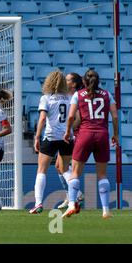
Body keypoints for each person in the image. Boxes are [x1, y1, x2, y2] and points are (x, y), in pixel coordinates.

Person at [62, 70, 118, 219]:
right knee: (102, 174)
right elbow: (115, 116)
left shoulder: (78, 95)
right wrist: (116, 134)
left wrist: (68, 131)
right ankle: (106, 210)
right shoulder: (107, 94)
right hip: (102, 134)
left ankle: (72, 204)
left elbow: (71, 116)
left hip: (85, 134)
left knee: (75, 172)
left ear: (84, 82)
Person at [29, 70, 73, 214]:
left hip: (51, 136)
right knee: (66, 169)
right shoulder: (69, 98)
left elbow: (42, 118)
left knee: (41, 170)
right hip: (67, 137)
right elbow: (75, 117)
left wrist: (37, 137)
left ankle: (38, 203)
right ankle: (75, 196)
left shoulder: (46, 98)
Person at [55, 72, 84, 209]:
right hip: (67, 134)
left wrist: (67, 130)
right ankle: (69, 195)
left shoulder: (76, 97)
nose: (64, 82)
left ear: (73, 84)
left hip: (73, 135)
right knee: (58, 166)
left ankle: (76, 193)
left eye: (67, 80)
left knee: (63, 166)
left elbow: (77, 119)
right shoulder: (67, 96)